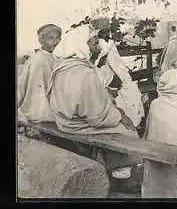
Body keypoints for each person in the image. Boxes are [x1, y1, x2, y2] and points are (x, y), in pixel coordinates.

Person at [47, 24, 141, 179]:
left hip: (63, 120)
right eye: (94, 43)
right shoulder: (84, 72)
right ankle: (120, 176)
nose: (98, 47)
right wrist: (119, 115)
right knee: (128, 130)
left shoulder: (63, 67)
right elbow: (96, 117)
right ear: (81, 46)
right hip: (75, 125)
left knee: (121, 117)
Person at [90, 34, 145, 129]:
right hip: (102, 97)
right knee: (120, 101)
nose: (105, 61)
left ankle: (135, 121)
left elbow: (118, 75)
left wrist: (117, 85)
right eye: (103, 58)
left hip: (113, 89)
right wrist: (107, 90)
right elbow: (95, 88)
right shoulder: (91, 69)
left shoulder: (105, 66)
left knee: (131, 90)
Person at [17, 24, 62, 123]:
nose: (56, 42)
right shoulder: (39, 59)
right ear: (42, 41)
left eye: (58, 38)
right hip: (40, 108)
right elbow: (23, 84)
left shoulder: (53, 57)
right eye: (51, 38)